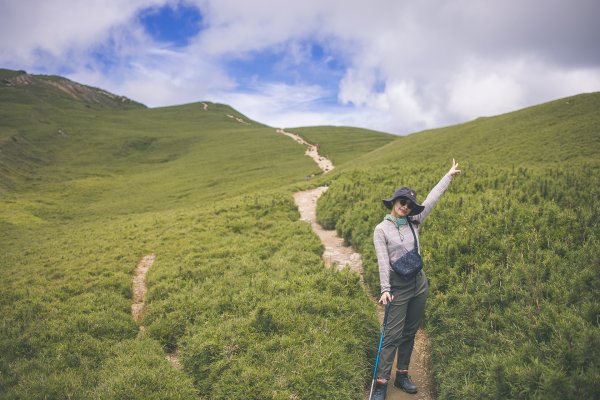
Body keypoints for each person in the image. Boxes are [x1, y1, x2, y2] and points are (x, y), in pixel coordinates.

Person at [370, 159, 461, 399]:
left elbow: (431, 199)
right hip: (397, 287)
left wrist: (448, 176)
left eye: (409, 204)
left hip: (418, 284)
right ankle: (380, 382)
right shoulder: (381, 230)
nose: (405, 207)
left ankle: (402, 375)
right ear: (394, 202)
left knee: (410, 332)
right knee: (391, 335)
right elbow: (382, 260)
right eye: (402, 202)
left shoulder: (414, 222)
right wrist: (385, 288)